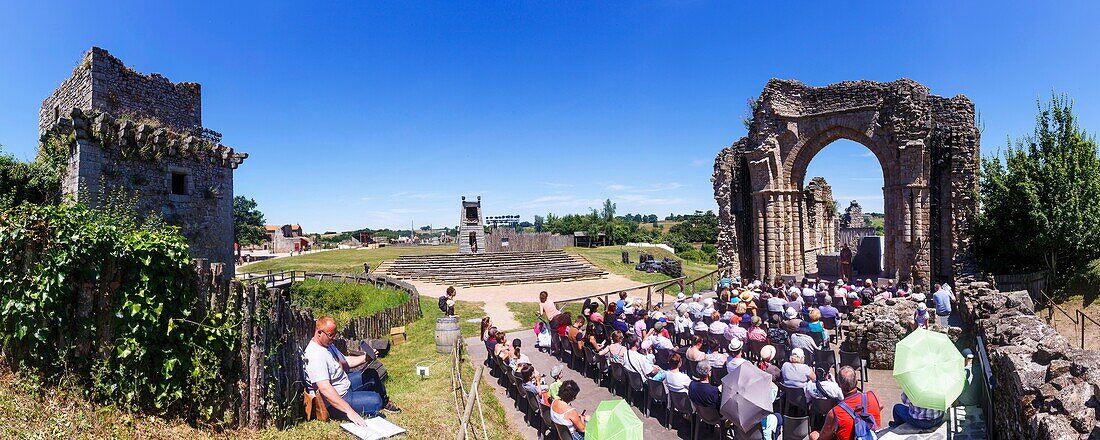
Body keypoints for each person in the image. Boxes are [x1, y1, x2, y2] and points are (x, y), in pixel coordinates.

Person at [303, 316, 401, 427]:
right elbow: (325, 389)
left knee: (371, 374)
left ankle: (385, 402)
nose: (334, 338)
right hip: (335, 401)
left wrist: (366, 358)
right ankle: (376, 403)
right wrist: (349, 411)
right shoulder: (315, 355)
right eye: (331, 335)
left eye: (335, 334)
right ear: (319, 332)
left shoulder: (327, 345)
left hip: (345, 384)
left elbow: (345, 361)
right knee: (375, 401)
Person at [810, 366, 882, 440]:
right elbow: (881, 406)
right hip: (873, 437)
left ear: (839, 384)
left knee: (814, 435)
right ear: (857, 382)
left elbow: (823, 437)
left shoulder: (835, 413)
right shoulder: (873, 395)